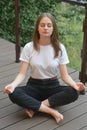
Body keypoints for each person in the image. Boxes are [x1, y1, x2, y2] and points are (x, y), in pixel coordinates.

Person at [3, 12, 85, 124]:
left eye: (49, 25)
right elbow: (22, 74)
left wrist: (75, 85)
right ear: (37, 28)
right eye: (42, 25)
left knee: (73, 92)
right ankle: (51, 111)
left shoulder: (60, 48)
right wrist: (12, 85)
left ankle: (34, 107)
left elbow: (65, 75)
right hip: (34, 86)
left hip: (53, 86)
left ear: (53, 29)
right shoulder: (29, 47)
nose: (45, 28)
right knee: (14, 93)